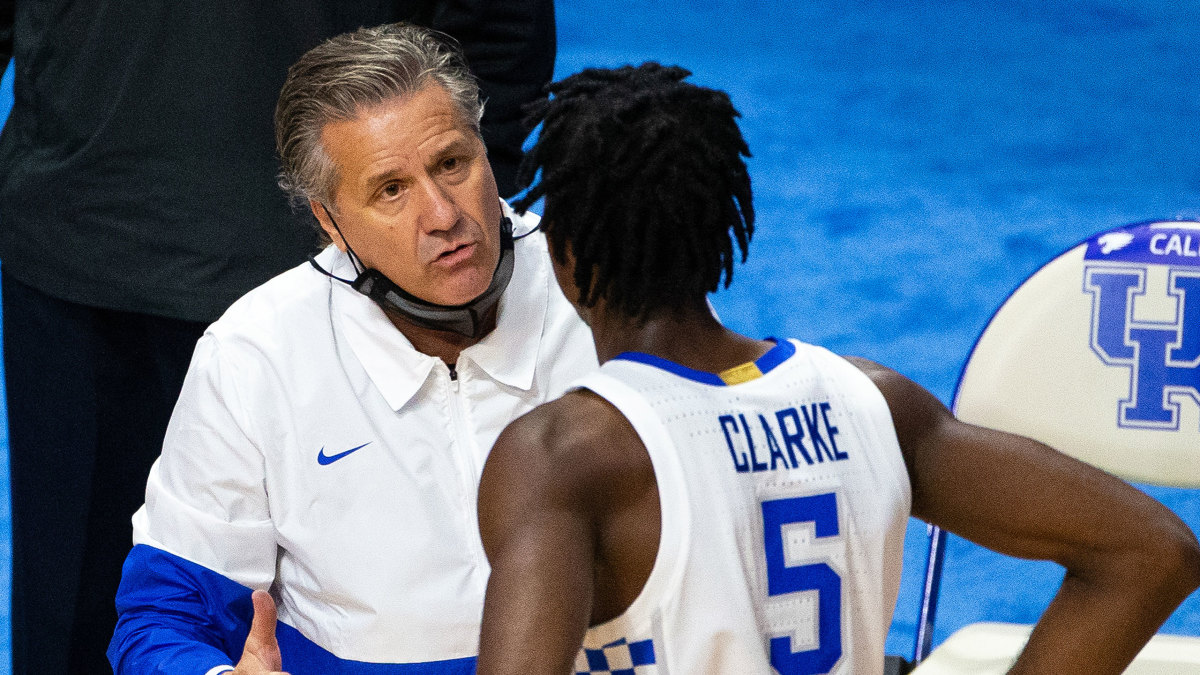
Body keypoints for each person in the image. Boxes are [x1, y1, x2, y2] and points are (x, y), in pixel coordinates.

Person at [474, 63, 1200, 674]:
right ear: (721, 232)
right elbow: (1153, 551)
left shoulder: (564, 456)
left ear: (565, 258)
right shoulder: (873, 401)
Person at [0, 2, 553, 673]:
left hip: (118, 224)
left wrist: (437, 196)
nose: (442, 214)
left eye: (453, 164)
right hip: (82, 253)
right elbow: (163, 616)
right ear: (328, 218)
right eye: (399, 188)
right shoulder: (255, 351)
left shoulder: (585, 294)